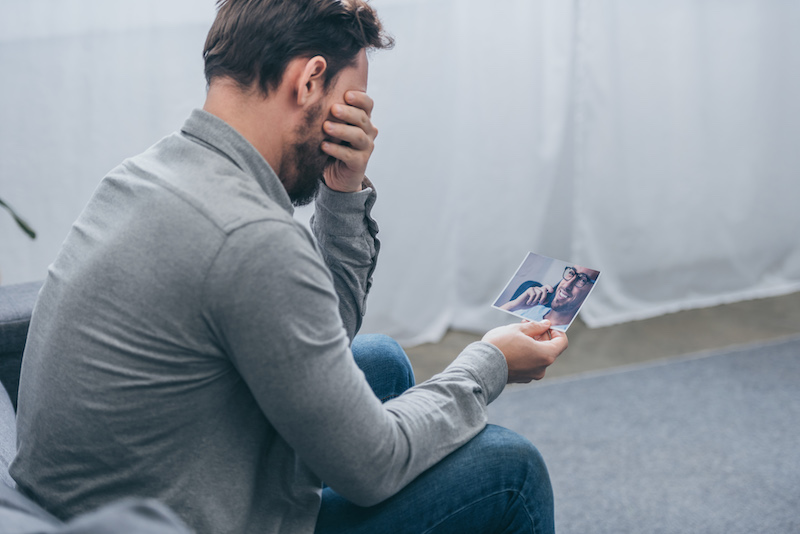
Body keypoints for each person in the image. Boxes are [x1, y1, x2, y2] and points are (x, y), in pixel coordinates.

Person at [11, 1, 569, 533]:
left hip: (109, 502)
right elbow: (373, 465)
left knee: (379, 361)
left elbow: (317, 330)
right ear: (308, 81)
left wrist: (341, 191)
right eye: (352, 102)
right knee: (509, 470)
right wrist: (489, 362)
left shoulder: (147, 173)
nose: (356, 123)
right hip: (177, 518)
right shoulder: (249, 236)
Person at [500, 265, 599, 330]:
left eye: (582, 280)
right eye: (571, 273)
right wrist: (512, 305)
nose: (566, 285)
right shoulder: (527, 309)